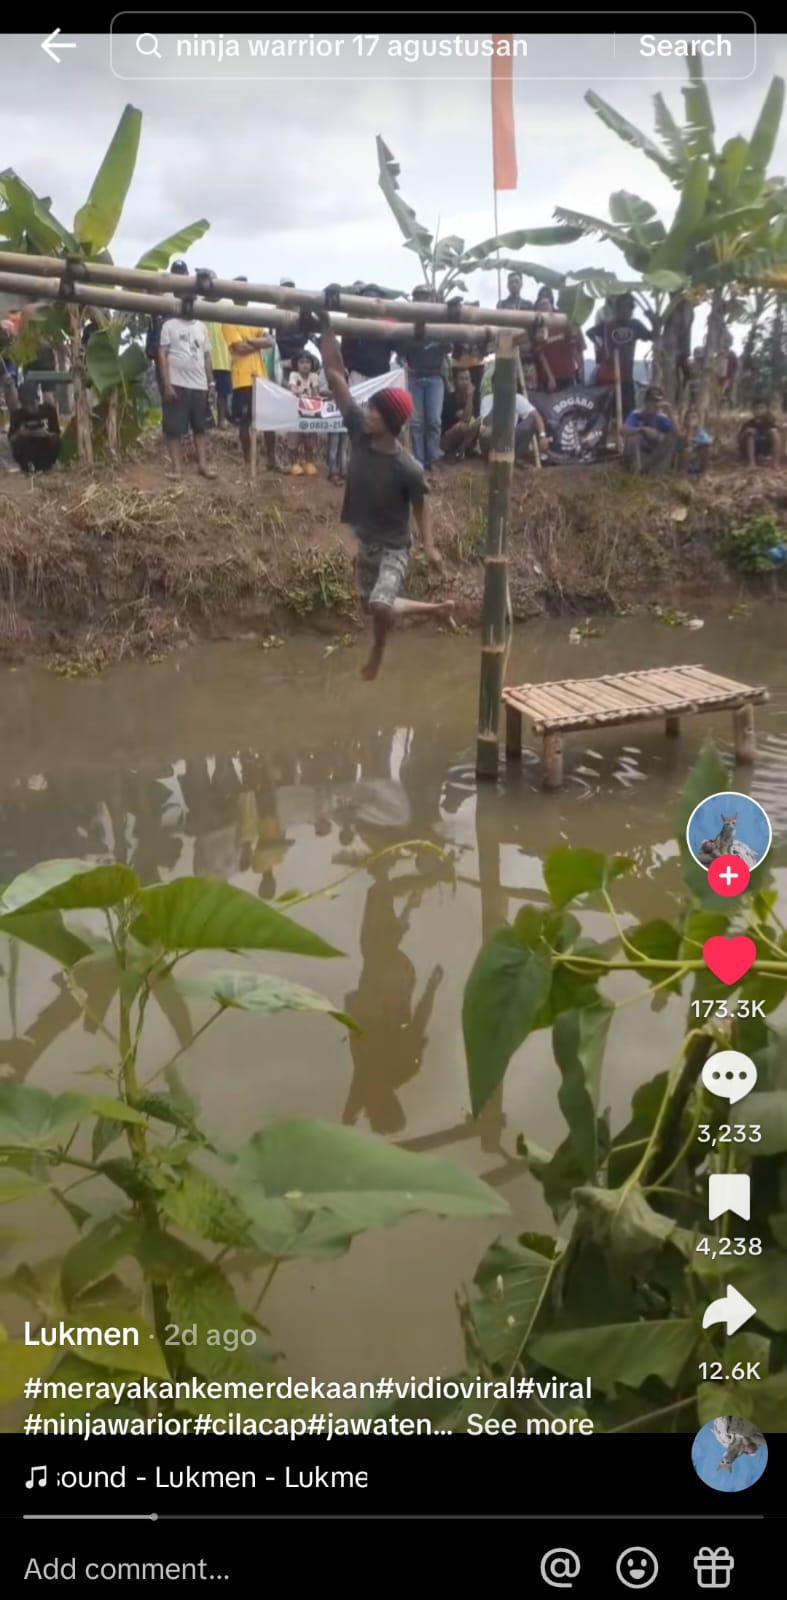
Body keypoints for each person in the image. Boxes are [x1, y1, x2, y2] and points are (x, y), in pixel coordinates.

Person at [319, 314, 454, 681]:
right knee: (372, 605)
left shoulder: (407, 466)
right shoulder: (361, 432)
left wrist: (429, 546)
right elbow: (336, 378)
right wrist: (325, 330)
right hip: (368, 541)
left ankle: (384, 645)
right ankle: (427, 614)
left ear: (390, 422)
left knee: (380, 603)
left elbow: (422, 505)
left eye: (375, 410)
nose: (369, 413)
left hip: (395, 546)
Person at [222, 279, 277, 474]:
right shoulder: (228, 320)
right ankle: (248, 462)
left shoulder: (253, 317)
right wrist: (258, 342)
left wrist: (252, 341)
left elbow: (270, 340)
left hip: (261, 378)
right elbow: (240, 348)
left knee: (269, 421)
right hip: (242, 379)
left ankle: (272, 459)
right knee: (244, 422)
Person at [158, 307, 216, 481]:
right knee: (174, 429)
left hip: (199, 384)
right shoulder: (169, 325)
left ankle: (203, 465)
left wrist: (211, 382)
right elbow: (162, 354)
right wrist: (167, 384)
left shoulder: (201, 326)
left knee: (200, 427)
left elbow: (206, 356)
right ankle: (176, 469)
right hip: (177, 383)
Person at [396, 285, 447, 471]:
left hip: (435, 376)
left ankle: (432, 459)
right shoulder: (407, 325)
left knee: (434, 421)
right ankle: (419, 461)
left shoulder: (441, 323)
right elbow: (400, 351)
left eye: (426, 296)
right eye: (419, 296)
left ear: (433, 299)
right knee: (416, 422)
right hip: (415, 376)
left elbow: (449, 346)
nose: (423, 300)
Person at [589, 293, 652, 418]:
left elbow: (652, 336)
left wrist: (653, 319)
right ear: (617, 308)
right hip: (609, 377)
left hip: (627, 375)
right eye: (624, 308)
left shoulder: (635, 325)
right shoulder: (609, 324)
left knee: (628, 411)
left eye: (630, 308)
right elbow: (590, 332)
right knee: (607, 411)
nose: (627, 312)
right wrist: (600, 347)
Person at [1, 365, 61, 474]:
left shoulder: (48, 411)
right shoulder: (17, 415)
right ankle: (27, 467)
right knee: (18, 444)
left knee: (55, 442)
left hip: (44, 446)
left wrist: (46, 434)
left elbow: (56, 435)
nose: (30, 408)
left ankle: (46, 466)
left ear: (38, 399)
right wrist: (22, 432)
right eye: (26, 404)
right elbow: (11, 440)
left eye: (32, 403)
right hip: (27, 447)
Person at [147, 258, 189, 400]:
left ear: (187, 274)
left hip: (185, 349)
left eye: (181, 274)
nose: (179, 277)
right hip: (165, 347)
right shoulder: (163, 295)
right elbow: (153, 320)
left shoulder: (192, 296)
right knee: (165, 385)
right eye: (176, 274)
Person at [341, 284, 395, 386]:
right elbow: (345, 347)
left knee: (379, 401)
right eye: (367, 297)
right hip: (358, 372)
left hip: (381, 373)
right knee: (358, 401)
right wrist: (347, 367)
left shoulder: (387, 322)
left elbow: (395, 345)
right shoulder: (353, 320)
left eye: (375, 297)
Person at [479, 385, 548, 465]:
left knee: (530, 422)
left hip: (509, 439)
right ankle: (495, 460)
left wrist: (542, 436)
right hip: (492, 440)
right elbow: (485, 423)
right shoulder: (487, 399)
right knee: (487, 432)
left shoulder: (517, 398)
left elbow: (535, 415)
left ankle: (512, 459)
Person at [534, 292, 585, 391]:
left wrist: (580, 367)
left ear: (551, 306)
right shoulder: (539, 330)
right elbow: (541, 356)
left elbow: (574, 348)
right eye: (541, 306)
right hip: (550, 377)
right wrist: (550, 377)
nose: (544, 308)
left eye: (546, 305)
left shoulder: (564, 323)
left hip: (569, 373)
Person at [622, 386, 676, 473]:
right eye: (650, 401)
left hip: (656, 450)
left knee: (669, 439)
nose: (653, 405)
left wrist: (670, 411)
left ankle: (651, 469)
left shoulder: (661, 417)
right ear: (645, 402)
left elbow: (677, 433)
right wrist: (642, 429)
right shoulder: (636, 414)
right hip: (640, 449)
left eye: (656, 402)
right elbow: (623, 430)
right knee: (632, 439)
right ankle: (633, 469)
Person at [286, 350, 321, 476]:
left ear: (312, 364)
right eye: (302, 362)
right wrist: (296, 392)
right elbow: (292, 387)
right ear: (296, 364)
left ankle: (308, 462)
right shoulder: (293, 375)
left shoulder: (314, 377)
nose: (305, 365)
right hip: (295, 412)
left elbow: (316, 391)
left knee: (310, 439)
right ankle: (294, 464)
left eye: (308, 362)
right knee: (294, 438)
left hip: (310, 412)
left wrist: (317, 397)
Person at [440, 368, 481, 459]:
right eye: (461, 379)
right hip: (447, 441)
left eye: (467, 379)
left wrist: (471, 397)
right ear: (455, 381)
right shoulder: (449, 399)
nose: (465, 382)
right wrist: (470, 396)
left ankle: (461, 451)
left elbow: (474, 419)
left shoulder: (475, 399)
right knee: (462, 426)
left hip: (465, 439)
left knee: (477, 422)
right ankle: (455, 453)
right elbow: (465, 419)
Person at [275, 277, 309, 382]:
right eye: (286, 287)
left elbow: (305, 337)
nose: (289, 290)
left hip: (299, 361)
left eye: (291, 287)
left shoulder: (302, 312)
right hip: (282, 359)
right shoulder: (275, 312)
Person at [738, 400, 781, 469]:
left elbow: (778, 431)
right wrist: (746, 432)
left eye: (761, 408)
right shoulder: (748, 423)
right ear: (752, 410)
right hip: (751, 448)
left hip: (765, 447)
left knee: (775, 434)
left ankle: (775, 463)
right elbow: (739, 440)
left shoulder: (770, 422)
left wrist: (775, 430)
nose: (758, 411)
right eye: (756, 408)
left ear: (766, 409)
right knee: (750, 436)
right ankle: (752, 463)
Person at [678, 407, 712, 475]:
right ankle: (682, 472)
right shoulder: (682, 431)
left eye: (693, 417)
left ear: (698, 420)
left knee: (706, 449)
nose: (691, 419)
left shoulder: (701, 433)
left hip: (697, 458)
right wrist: (689, 431)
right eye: (689, 417)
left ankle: (703, 473)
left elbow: (708, 442)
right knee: (687, 450)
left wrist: (696, 441)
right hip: (683, 457)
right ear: (685, 420)